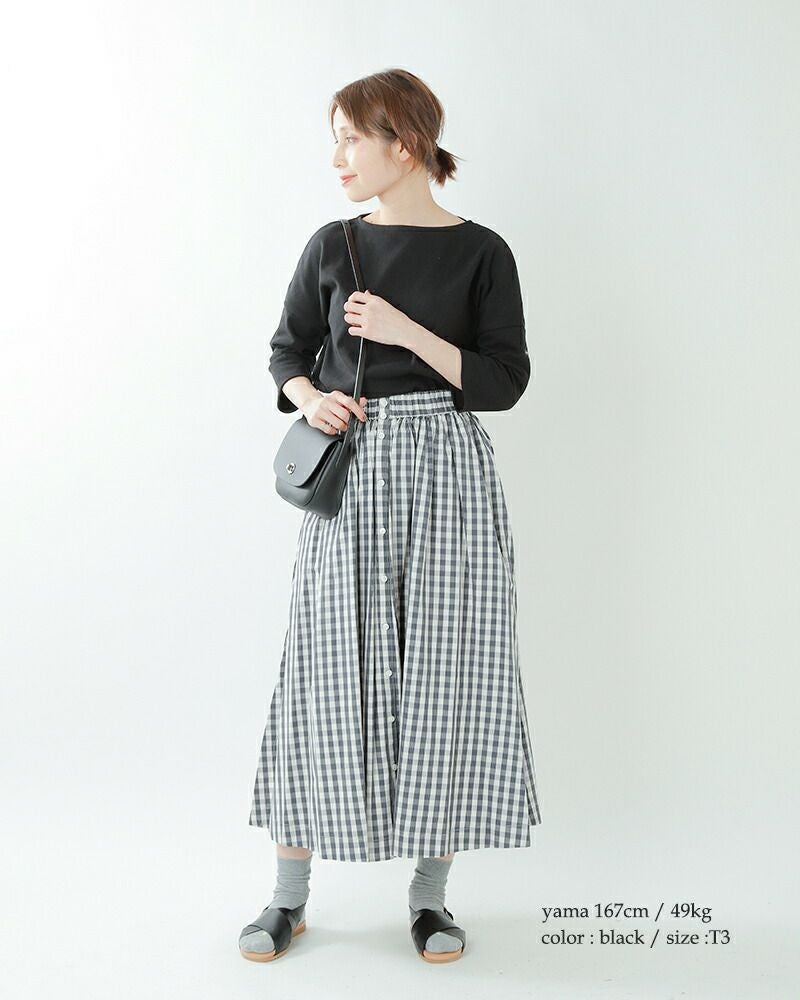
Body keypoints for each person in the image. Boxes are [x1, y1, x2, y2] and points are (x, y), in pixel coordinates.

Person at [239, 68, 542, 965]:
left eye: (350, 139)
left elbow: (505, 382)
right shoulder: (332, 245)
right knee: (322, 671)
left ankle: (430, 900)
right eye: (334, 140)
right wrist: (313, 398)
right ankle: (288, 898)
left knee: (449, 674)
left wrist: (407, 332)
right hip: (355, 470)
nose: (336, 158)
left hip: (449, 472)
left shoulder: (484, 252)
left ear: (403, 145)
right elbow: (287, 353)